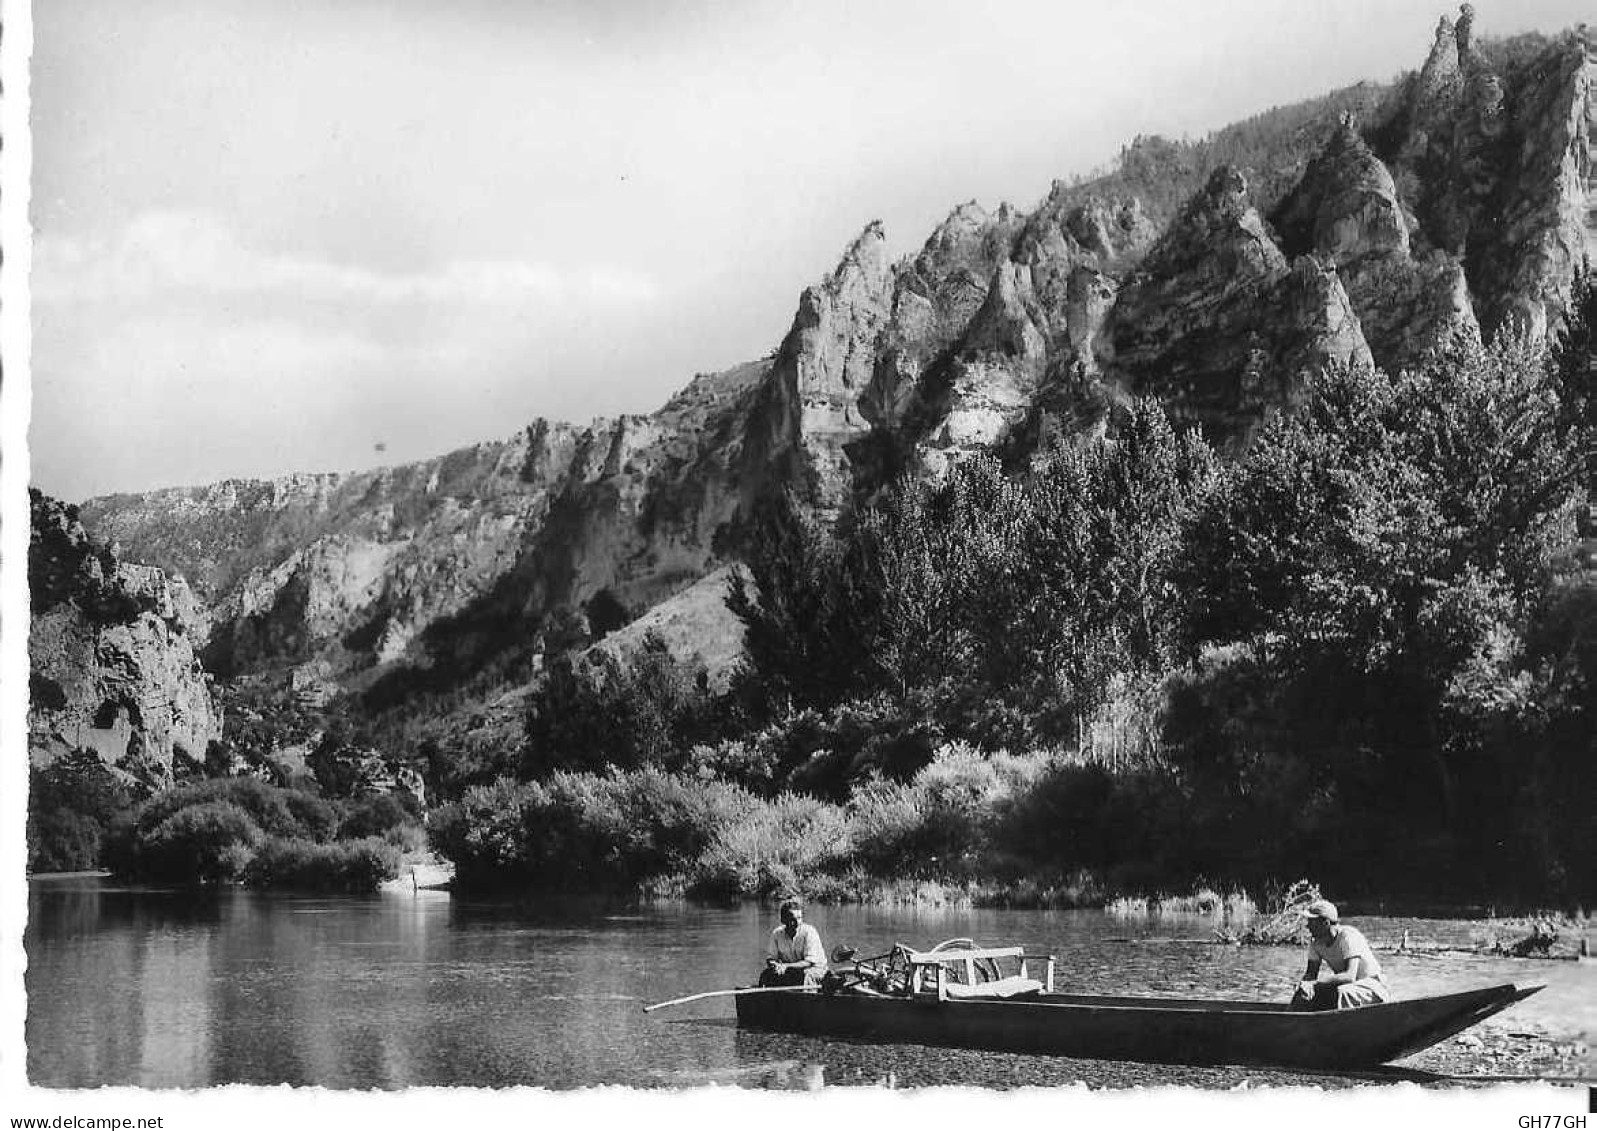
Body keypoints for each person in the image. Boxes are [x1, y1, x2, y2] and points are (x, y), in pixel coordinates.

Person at [1290, 898, 1391, 1011]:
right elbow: (1310, 976)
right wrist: (1303, 986)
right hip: (1349, 987)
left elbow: (1349, 976)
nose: (1307, 926)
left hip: (1373, 987)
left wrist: (1314, 984)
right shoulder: (1316, 944)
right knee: (1306, 995)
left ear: (1326, 923)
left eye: (1312, 922)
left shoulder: (1348, 936)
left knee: (1341, 992)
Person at [759, 898, 827, 987]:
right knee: (766, 974)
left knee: (807, 976)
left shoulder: (809, 932)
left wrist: (785, 966)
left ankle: (806, 999)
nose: (797, 923)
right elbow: (771, 958)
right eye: (792, 919)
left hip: (815, 970)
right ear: (783, 920)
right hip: (791, 970)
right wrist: (774, 965)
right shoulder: (777, 934)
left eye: (799, 918)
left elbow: (809, 963)